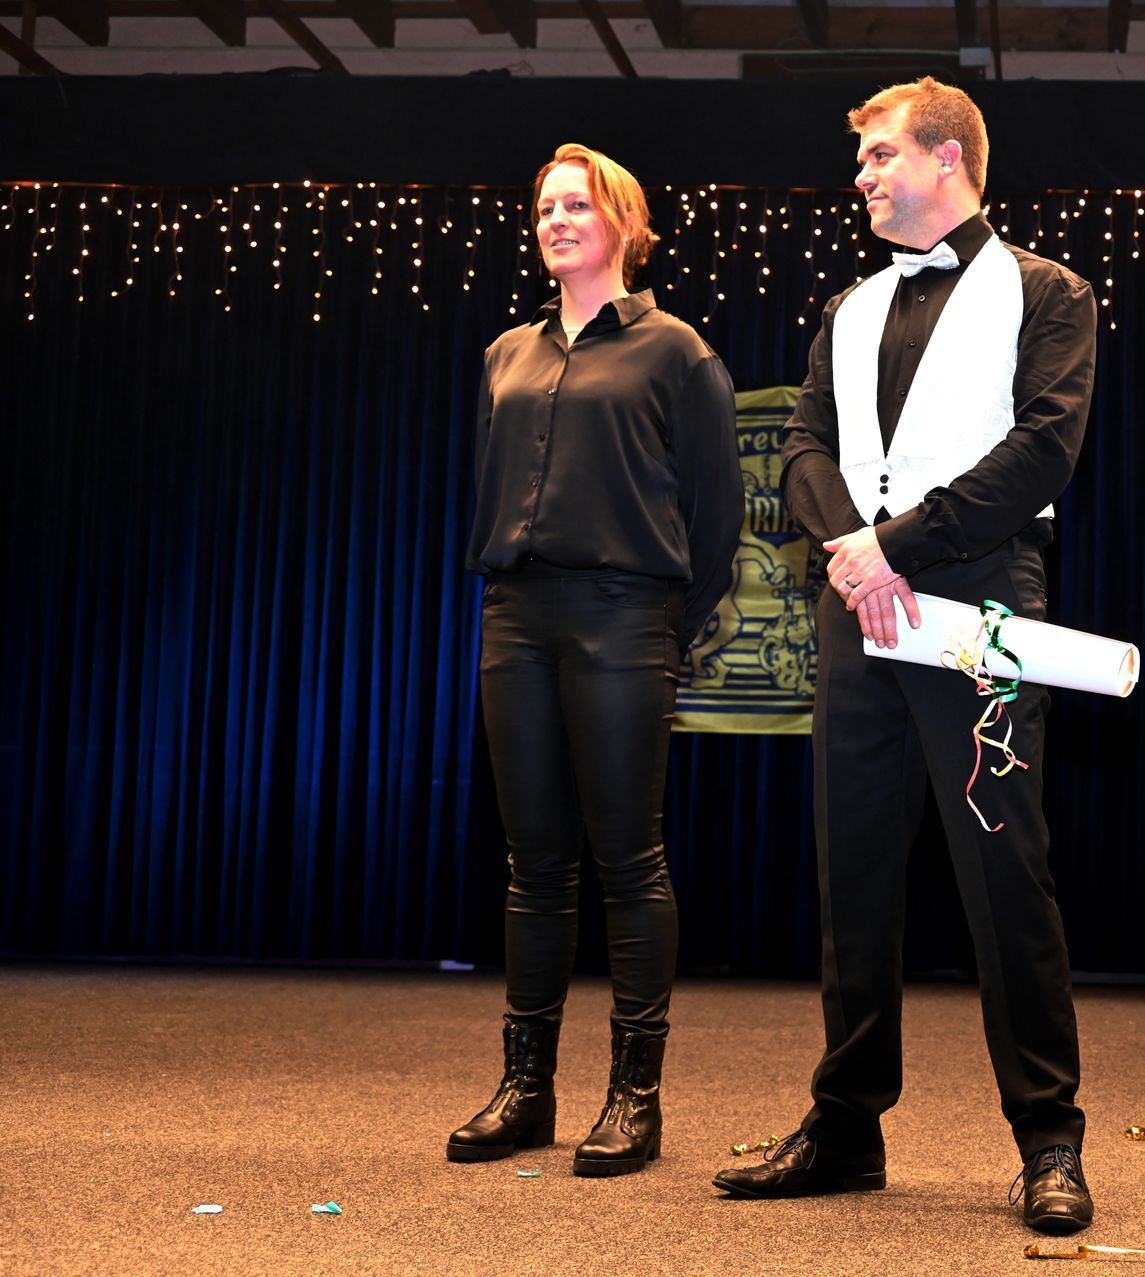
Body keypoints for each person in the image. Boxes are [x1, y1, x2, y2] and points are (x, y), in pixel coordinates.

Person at [710, 78, 1099, 1234]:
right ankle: (847, 1125)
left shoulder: (1046, 290)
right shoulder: (850, 305)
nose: (865, 174)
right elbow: (804, 442)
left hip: (978, 601)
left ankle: (1048, 1136)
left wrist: (899, 545)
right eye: (864, 159)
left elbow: (1045, 448)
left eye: (881, 154)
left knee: (1003, 868)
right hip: (858, 601)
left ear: (948, 157)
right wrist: (853, 548)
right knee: (856, 870)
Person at [448, 143, 743, 1177]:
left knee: (628, 858)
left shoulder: (676, 351)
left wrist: (664, 622)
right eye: (545, 208)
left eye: (576, 205)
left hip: (625, 616)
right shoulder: (507, 353)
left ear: (621, 222)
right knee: (533, 861)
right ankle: (526, 1088)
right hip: (516, 613)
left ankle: (635, 1095)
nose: (556, 221)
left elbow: (717, 517)